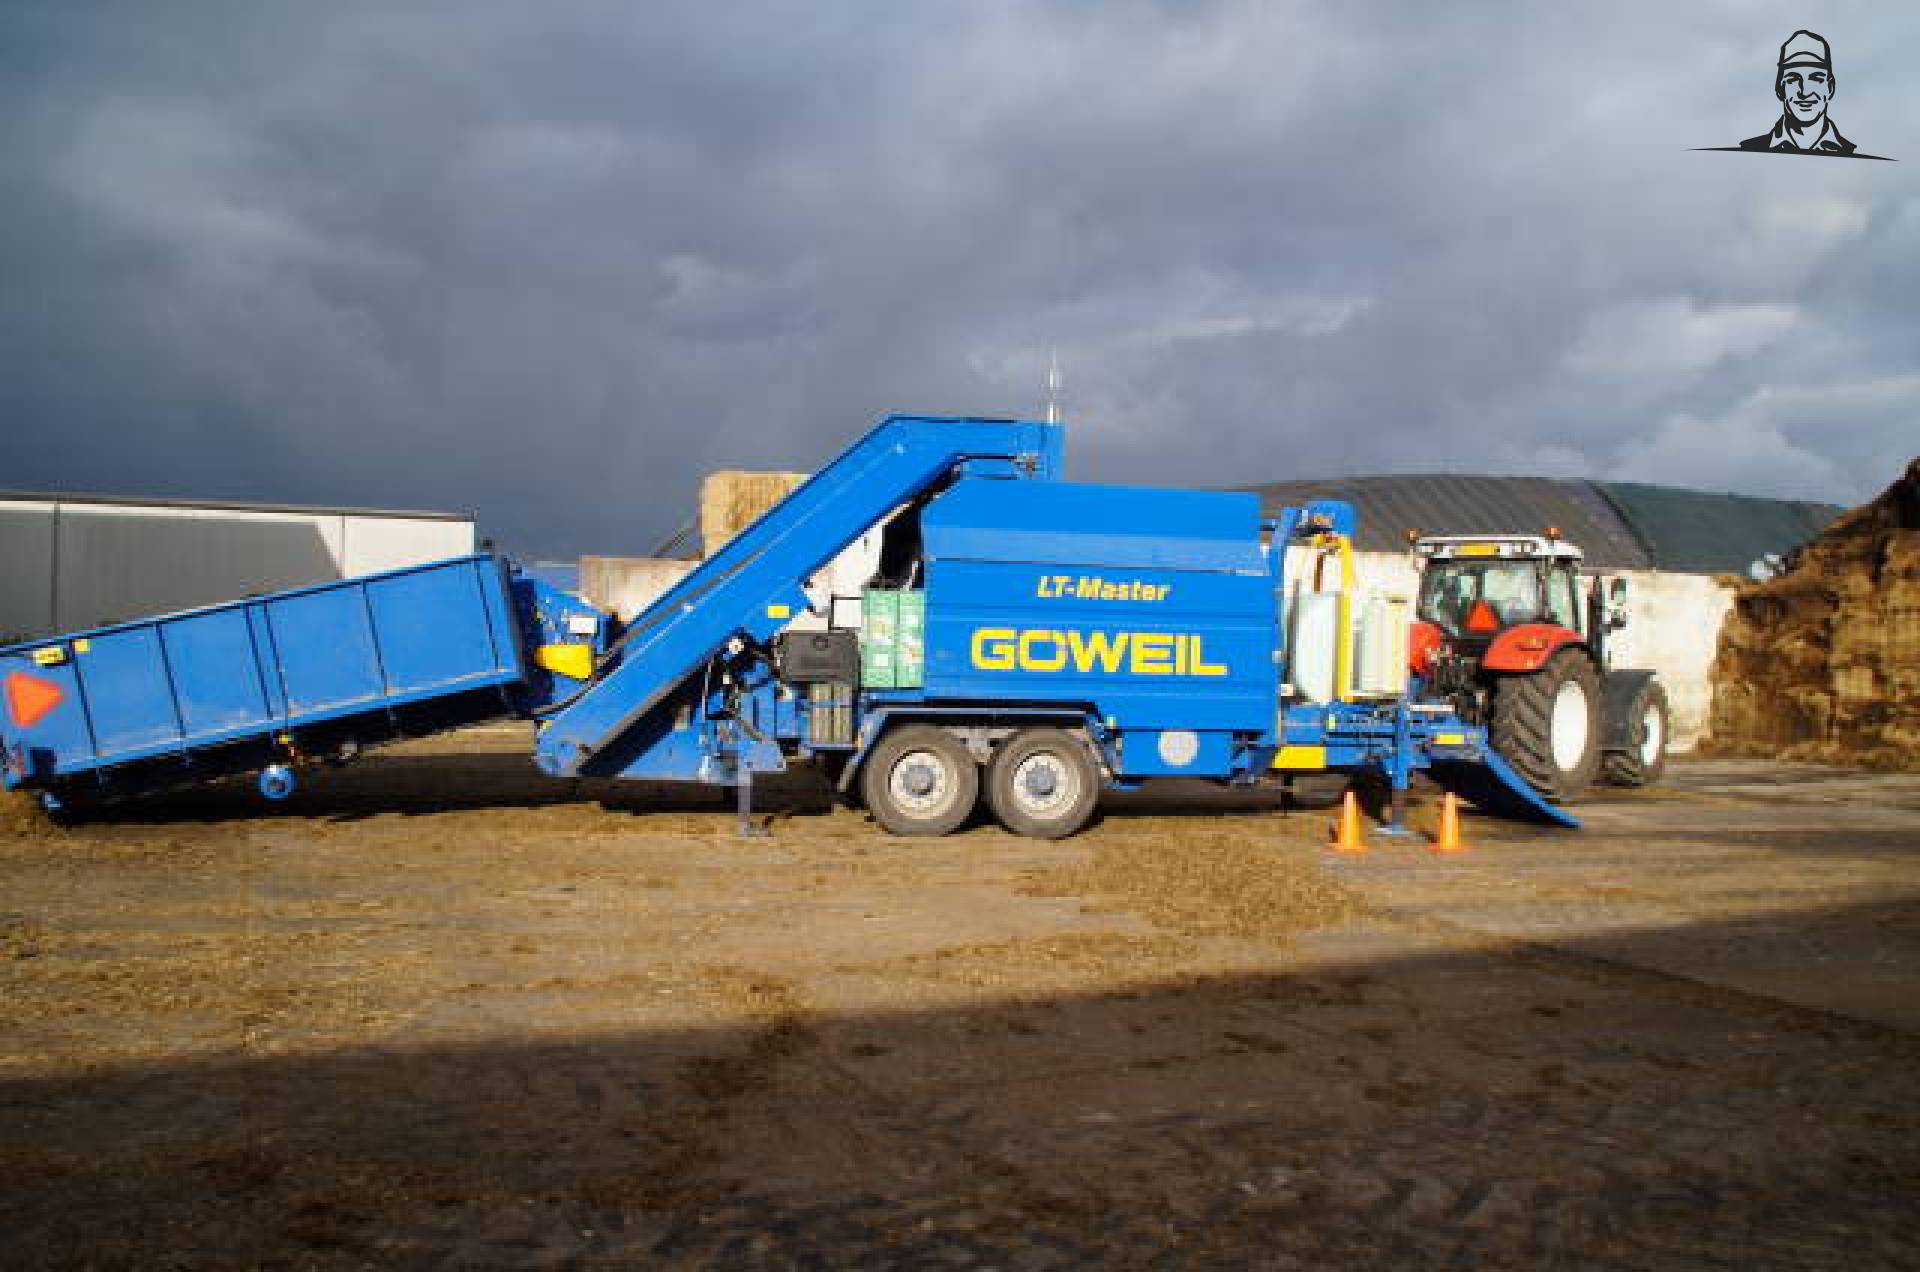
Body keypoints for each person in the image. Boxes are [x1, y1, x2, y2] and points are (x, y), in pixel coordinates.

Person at [1739, 30, 1856, 155]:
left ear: (1830, 88)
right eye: (1793, 79)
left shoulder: (1852, 154)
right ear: (1780, 89)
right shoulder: (1748, 150)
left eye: (1816, 79)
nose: (1805, 92)